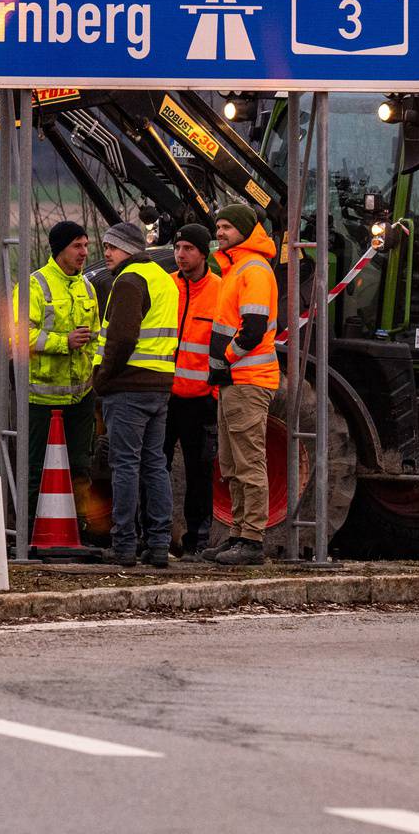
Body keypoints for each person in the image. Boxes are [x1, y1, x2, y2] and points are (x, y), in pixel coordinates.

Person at [93, 221, 179, 567]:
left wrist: (103, 377)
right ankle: (158, 544)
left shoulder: (129, 281)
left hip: (128, 387)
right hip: (159, 386)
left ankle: (124, 544)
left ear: (129, 249)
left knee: (125, 464)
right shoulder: (164, 280)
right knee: (155, 464)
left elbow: (122, 338)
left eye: (112, 247)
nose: (106, 254)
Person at [17, 221, 100, 549]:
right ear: (60, 249)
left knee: (81, 465)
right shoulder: (34, 285)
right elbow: (20, 335)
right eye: (77, 246)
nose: (84, 253)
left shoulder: (87, 287)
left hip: (81, 394)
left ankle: (79, 532)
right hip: (41, 395)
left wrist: (92, 370)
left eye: (85, 245)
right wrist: (63, 341)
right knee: (36, 469)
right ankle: (27, 536)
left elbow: (96, 336)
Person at [206, 202, 279, 566]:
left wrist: (225, 359)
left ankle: (251, 539)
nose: (220, 233)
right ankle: (238, 533)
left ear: (245, 231)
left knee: (248, 462)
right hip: (234, 382)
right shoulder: (235, 268)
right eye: (218, 227)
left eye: (227, 228)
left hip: (247, 380)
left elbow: (252, 330)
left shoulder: (253, 270)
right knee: (232, 463)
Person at [164, 224, 223, 555]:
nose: (180, 254)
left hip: (201, 400)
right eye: (177, 247)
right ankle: (156, 534)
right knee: (156, 465)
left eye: (188, 248)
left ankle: (197, 541)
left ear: (203, 253)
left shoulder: (219, 290)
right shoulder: (167, 287)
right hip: (166, 396)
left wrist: (213, 393)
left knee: (200, 472)